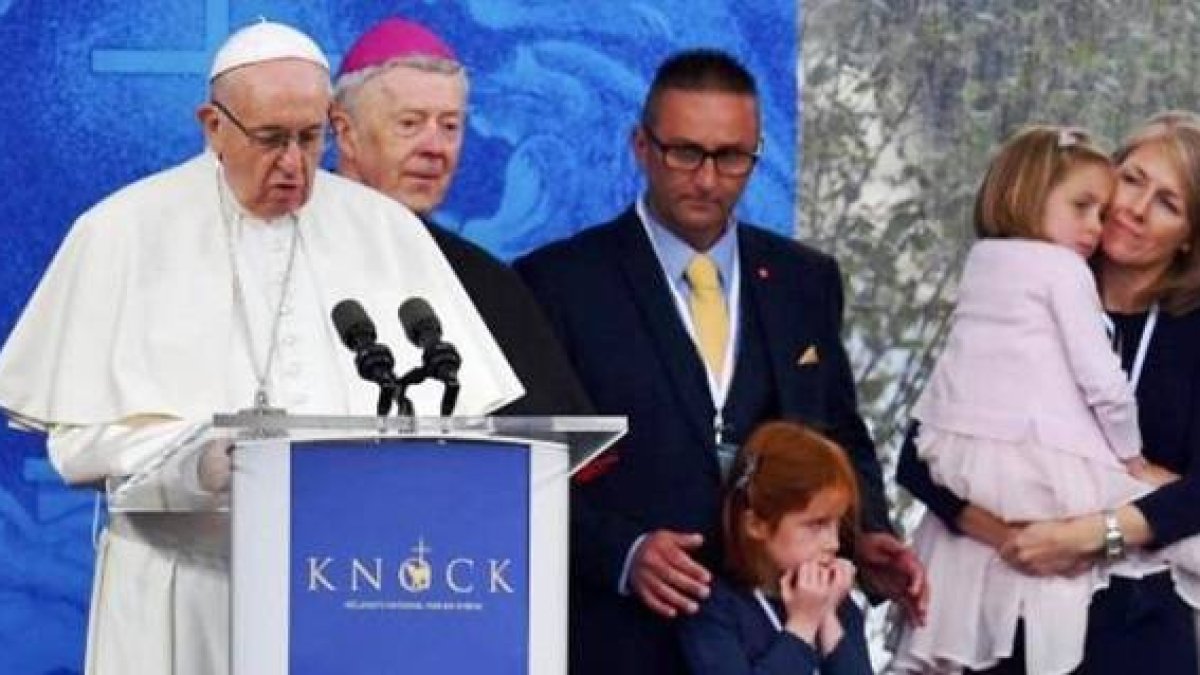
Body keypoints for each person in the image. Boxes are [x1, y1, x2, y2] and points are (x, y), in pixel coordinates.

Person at [0, 21, 522, 675]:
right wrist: (200, 455)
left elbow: (462, 426)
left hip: (352, 584)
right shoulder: (119, 233)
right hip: (182, 587)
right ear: (213, 125)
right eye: (272, 139)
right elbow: (73, 444)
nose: (295, 164)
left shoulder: (385, 232)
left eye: (312, 137)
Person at [516, 49, 926, 675]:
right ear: (641, 146)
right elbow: (528, 467)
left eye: (731, 157)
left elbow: (838, 430)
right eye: (685, 151)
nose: (707, 179)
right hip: (620, 641)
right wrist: (622, 553)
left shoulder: (805, 279)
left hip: (777, 637)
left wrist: (865, 532)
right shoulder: (558, 282)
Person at [898, 111, 1200, 674]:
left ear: (1188, 240)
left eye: (1168, 202)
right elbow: (920, 450)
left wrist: (1088, 536)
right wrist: (1012, 534)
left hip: (1137, 626)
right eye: (1131, 179)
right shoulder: (1023, 281)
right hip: (1001, 607)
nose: (1133, 207)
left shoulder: (1190, 333)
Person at [331, 17, 590, 416]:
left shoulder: (488, 283)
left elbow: (545, 448)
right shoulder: (281, 256)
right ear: (347, 134)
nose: (436, 147)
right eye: (409, 124)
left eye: (450, 126)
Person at [678, 420, 871, 675]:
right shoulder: (713, 609)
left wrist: (828, 621)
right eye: (816, 524)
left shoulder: (839, 605)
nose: (833, 543)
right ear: (756, 524)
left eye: (837, 523)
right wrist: (801, 626)